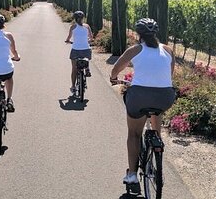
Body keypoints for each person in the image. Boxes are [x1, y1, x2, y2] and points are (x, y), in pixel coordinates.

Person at [109, 18, 176, 186]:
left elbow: (116, 68)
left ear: (139, 34)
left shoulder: (135, 50)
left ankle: (132, 174)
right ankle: (157, 143)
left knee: (134, 134)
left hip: (139, 97)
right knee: (157, 109)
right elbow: (169, 75)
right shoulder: (168, 50)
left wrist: (113, 78)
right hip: (165, 96)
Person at [64, 10, 93, 95]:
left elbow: (68, 38)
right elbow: (91, 37)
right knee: (87, 56)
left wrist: (68, 41)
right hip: (86, 50)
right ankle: (87, 68)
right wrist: (88, 41)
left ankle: (73, 86)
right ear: (83, 18)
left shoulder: (73, 27)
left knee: (74, 69)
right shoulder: (87, 26)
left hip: (75, 50)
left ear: (75, 18)